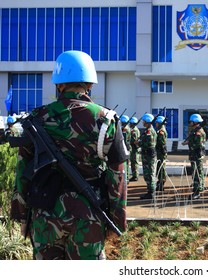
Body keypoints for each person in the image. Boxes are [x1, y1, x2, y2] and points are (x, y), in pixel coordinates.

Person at [10, 50, 128, 260]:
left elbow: (23, 170)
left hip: (44, 215)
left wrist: (21, 217)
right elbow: (117, 174)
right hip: (89, 215)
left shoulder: (37, 118)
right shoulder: (107, 120)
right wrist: (116, 220)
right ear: (90, 85)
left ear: (59, 85)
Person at [182, 113, 206, 200]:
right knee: (198, 172)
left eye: (191, 121)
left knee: (196, 173)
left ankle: (197, 192)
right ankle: (200, 186)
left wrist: (188, 143)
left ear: (195, 122)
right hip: (194, 154)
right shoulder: (195, 130)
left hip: (196, 154)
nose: (189, 123)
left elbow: (197, 144)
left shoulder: (199, 132)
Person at [137, 113, 157, 199]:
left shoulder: (149, 131)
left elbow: (149, 143)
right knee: (147, 174)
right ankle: (150, 191)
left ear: (147, 122)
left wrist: (139, 143)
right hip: (147, 155)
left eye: (144, 121)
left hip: (149, 155)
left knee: (150, 174)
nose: (143, 122)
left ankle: (151, 192)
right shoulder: (148, 130)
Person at [155, 115, 168, 191]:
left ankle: (161, 183)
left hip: (161, 151)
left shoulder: (161, 131)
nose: (156, 124)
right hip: (160, 151)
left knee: (161, 168)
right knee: (159, 167)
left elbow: (162, 142)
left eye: (157, 123)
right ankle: (160, 181)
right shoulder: (161, 130)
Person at [128, 116, 140, 182]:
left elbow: (134, 140)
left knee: (135, 162)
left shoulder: (134, 131)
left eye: (131, 123)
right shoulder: (133, 130)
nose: (130, 124)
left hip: (134, 149)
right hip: (133, 148)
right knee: (133, 162)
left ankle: (135, 176)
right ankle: (134, 175)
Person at [120, 114, 131, 183]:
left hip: (125, 148)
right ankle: (127, 178)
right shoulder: (127, 128)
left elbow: (123, 139)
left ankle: (126, 179)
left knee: (125, 164)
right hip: (127, 148)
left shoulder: (124, 129)